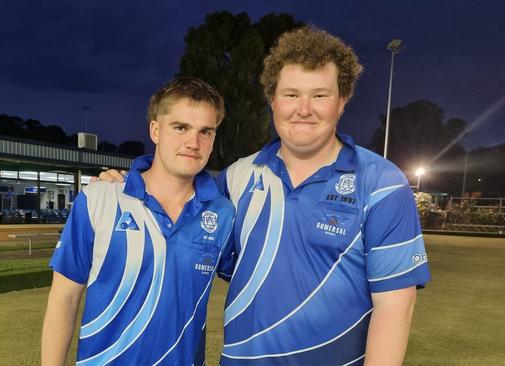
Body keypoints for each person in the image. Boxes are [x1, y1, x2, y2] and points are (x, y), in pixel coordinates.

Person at [100, 26, 431, 365]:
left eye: (319, 95)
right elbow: (174, 214)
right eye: (290, 95)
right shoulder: (237, 177)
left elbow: (395, 309)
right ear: (272, 100)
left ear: (342, 102)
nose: (303, 109)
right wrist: (123, 183)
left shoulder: (383, 183)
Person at [41, 77, 235, 365]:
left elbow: (257, 282)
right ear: (155, 130)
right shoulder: (99, 199)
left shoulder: (223, 213)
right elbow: (64, 299)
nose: (193, 142)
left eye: (205, 131)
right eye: (180, 127)